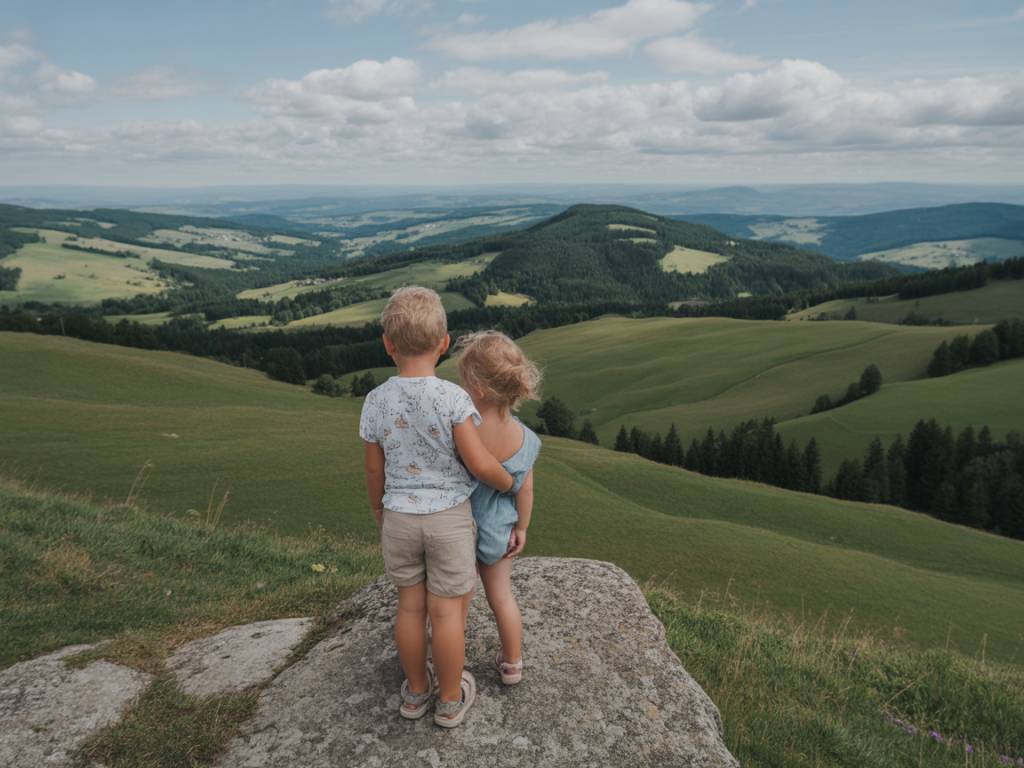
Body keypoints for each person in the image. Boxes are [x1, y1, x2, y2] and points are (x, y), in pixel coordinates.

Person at [359, 287, 516, 728]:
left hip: (399, 518)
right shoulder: (453, 398)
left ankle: (415, 692)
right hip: (448, 519)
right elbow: (478, 462)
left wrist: (379, 510)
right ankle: (449, 699)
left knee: (410, 608)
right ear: (444, 343)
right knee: (446, 613)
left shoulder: (375, 401)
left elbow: (373, 469)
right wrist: (509, 482)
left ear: (388, 344)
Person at [455, 330, 542, 686]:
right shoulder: (526, 439)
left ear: (477, 388)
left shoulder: (464, 428)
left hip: (458, 528)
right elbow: (527, 489)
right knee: (502, 598)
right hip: (499, 528)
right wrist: (521, 528)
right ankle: (512, 663)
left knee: (456, 603)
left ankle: (448, 661)